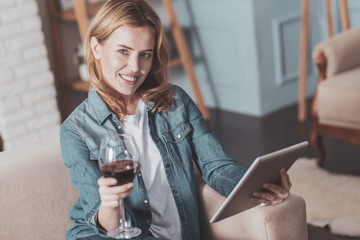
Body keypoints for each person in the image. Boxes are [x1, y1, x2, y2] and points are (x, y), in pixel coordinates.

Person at [60, 1, 292, 240]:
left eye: (145, 55)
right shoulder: (76, 131)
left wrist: (258, 188)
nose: (135, 67)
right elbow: (105, 224)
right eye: (123, 51)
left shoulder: (175, 101)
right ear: (96, 48)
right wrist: (110, 204)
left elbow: (217, 166)